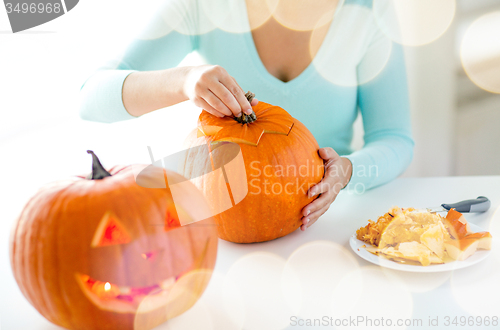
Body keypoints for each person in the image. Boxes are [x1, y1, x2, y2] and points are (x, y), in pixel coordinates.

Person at [80, 0, 414, 231]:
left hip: (328, 227)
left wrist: (347, 173)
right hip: (221, 229)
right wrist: (183, 80)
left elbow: (394, 138)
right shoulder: (203, 6)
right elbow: (90, 98)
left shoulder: (369, 11)